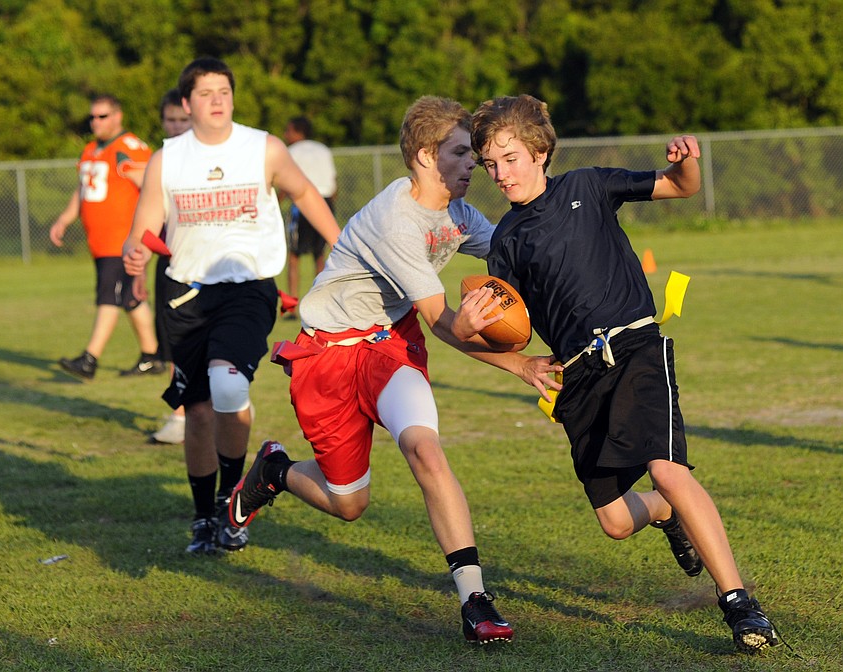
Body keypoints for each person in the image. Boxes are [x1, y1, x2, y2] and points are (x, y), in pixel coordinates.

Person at [229, 96, 563, 644]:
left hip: (388, 345)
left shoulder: (457, 210)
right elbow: (444, 324)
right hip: (329, 357)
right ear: (428, 156)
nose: (475, 161)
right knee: (349, 503)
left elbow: (516, 251)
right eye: (461, 151)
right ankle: (276, 471)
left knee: (424, 449)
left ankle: (475, 600)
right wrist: (520, 365)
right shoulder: (395, 220)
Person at [470, 94, 780, 654]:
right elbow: (493, 331)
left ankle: (739, 603)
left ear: (540, 152)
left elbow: (680, 186)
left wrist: (687, 160)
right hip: (579, 378)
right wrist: (483, 335)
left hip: (634, 347)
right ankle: (669, 514)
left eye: (510, 157)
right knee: (615, 520)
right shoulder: (506, 241)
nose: (501, 173)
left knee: (666, 469)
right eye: (491, 164)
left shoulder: (588, 185)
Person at [121, 57, 340, 555]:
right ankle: (203, 518)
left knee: (227, 383)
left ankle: (232, 501)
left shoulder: (263, 147)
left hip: (248, 287)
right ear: (185, 103)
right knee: (197, 413)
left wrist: (343, 247)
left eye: (224, 91)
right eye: (205, 93)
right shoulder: (167, 159)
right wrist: (135, 252)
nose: (217, 100)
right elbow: (144, 226)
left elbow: (303, 192)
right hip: (186, 293)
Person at [50, 94, 162, 380]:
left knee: (108, 298)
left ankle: (90, 359)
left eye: (102, 116)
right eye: (93, 117)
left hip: (121, 239)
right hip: (99, 242)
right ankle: (152, 356)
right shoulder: (90, 149)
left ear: (117, 116)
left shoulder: (129, 147)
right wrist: (65, 218)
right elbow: (82, 189)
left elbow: (152, 190)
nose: (95, 122)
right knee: (129, 298)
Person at [149, 88, 192, 445]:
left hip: (205, 267)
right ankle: (181, 414)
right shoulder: (160, 160)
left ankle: (188, 415)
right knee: (175, 345)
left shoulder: (203, 160)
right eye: (171, 120)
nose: (176, 126)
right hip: (169, 263)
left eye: (182, 119)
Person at [282, 115, 338, 317]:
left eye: (288, 130)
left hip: (302, 205)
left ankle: (291, 307)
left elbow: (286, 180)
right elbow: (333, 182)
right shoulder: (323, 149)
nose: (286, 135)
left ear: (298, 132)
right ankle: (320, 304)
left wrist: (278, 199)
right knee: (320, 255)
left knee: (294, 256)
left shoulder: (291, 151)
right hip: (325, 202)